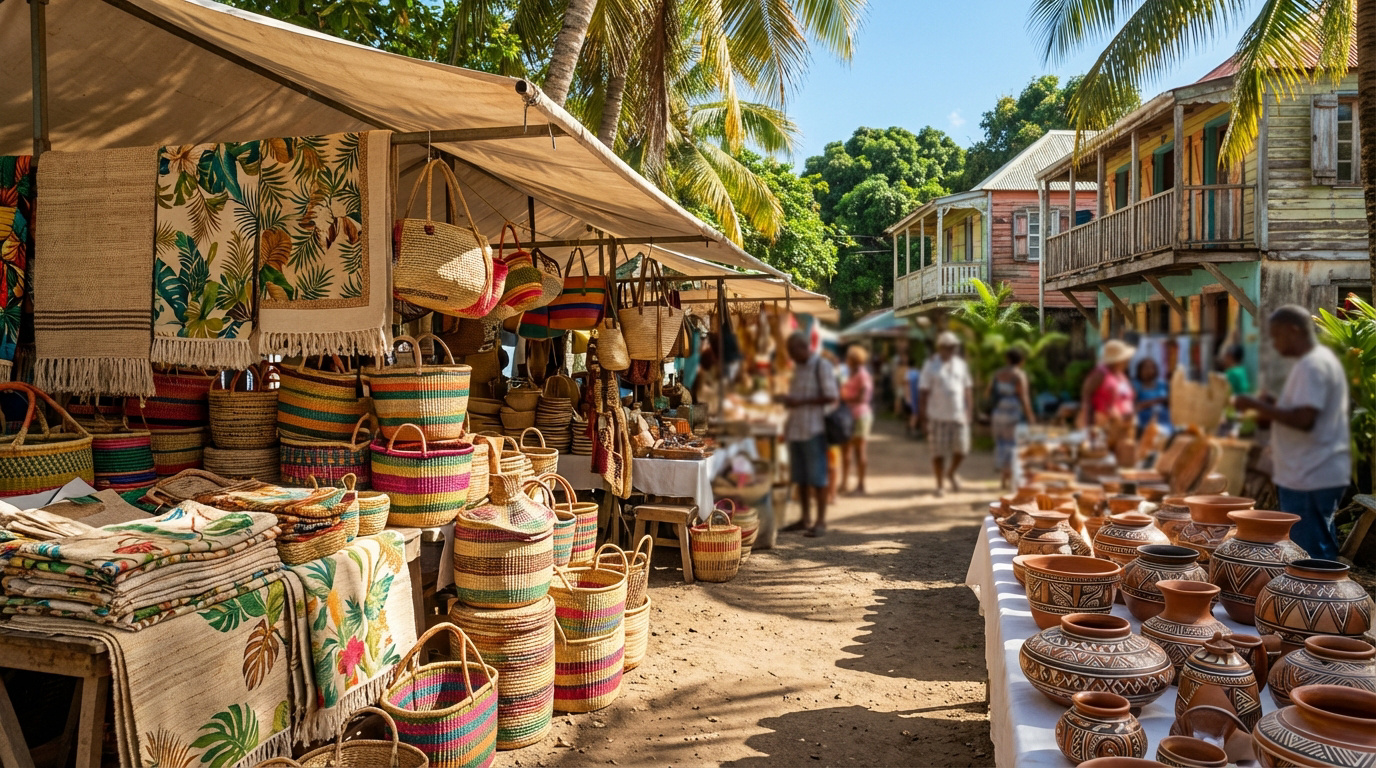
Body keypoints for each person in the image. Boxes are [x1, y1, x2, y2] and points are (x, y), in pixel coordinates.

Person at [1235, 306, 1350, 560]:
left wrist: (1256, 405)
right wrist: (1271, 408)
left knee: (1309, 554)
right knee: (1314, 546)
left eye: (1276, 336)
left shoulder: (1313, 365)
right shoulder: (1309, 364)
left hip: (1311, 473)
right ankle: (1320, 596)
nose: (1274, 344)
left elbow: (1304, 419)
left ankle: (1317, 599)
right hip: (1308, 470)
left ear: (1294, 330)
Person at [776, 331, 839, 538]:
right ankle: (805, 519)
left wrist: (800, 402)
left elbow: (831, 396)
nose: (791, 357)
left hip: (814, 429)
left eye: (793, 352)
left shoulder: (822, 365)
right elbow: (797, 397)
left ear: (804, 348)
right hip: (796, 429)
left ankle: (820, 522)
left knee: (818, 478)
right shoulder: (798, 368)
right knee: (800, 477)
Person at [917, 331, 974, 496]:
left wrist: (969, 411)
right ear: (940, 347)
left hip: (958, 415)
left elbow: (967, 389)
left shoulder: (960, 365)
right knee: (938, 453)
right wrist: (922, 418)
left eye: (953, 347)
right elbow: (923, 392)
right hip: (937, 416)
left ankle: (951, 472)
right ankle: (940, 484)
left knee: (962, 449)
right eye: (947, 347)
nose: (950, 349)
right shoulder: (931, 364)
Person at [1080, 339, 1138, 462]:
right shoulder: (1099, 374)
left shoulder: (1119, 374)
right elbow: (1087, 398)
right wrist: (1088, 427)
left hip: (1123, 426)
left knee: (1124, 461)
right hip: (1106, 425)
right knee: (1104, 460)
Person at [988, 347, 1036, 489]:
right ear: (1021, 361)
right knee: (1013, 445)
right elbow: (1024, 398)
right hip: (1013, 413)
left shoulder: (998, 374)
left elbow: (988, 392)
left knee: (1001, 443)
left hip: (998, 412)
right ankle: (1008, 477)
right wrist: (1031, 417)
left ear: (1007, 359)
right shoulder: (1019, 375)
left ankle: (1003, 477)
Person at [840, 345, 874, 495]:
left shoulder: (862, 375)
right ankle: (844, 482)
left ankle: (861, 484)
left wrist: (845, 397)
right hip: (850, 415)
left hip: (860, 415)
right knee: (846, 451)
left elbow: (862, 397)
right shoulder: (851, 374)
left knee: (859, 451)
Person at [1133, 357, 1172, 435]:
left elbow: (1171, 401)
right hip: (1146, 421)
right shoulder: (1136, 385)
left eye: (1151, 367)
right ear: (1139, 370)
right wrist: (1157, 400)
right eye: (1145, 368)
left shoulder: (1162, 384)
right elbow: (1135, 406)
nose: (1149, 370)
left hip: (1165, 420)